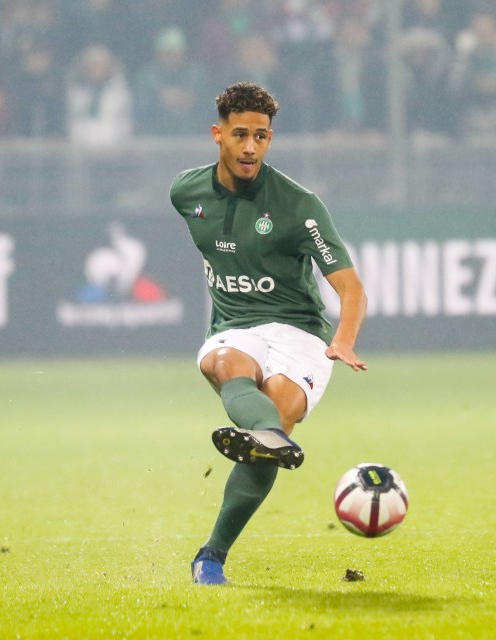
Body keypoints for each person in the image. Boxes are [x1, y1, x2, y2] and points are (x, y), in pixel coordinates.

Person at [169, 82, 368, 586]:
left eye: (262, 136)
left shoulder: (299, 206)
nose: (251, 147)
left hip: (299, 331)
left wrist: (343, 339)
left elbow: (350, 288)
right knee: (226, 365)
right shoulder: (185, 192)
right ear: (218, 135)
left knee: (268, 432)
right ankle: (267, 440)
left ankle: (211, 552)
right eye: (240, 134)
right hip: (233, 326)